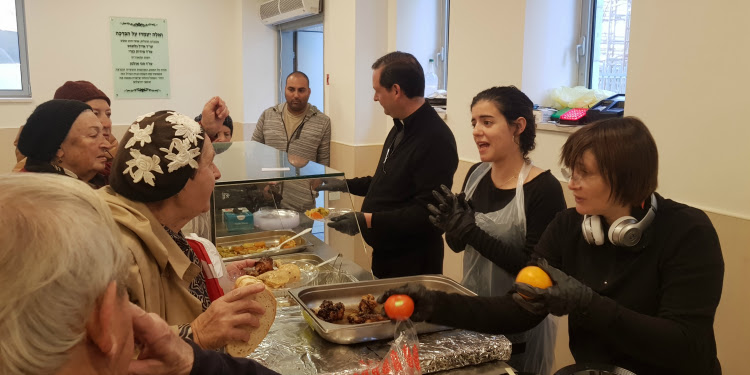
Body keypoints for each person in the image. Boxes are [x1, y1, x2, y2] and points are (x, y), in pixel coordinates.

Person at [381, 117, 724, 375]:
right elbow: (518, 309)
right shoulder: (569, 226)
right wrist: (434, 305)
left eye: (584, 173)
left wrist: (589, 304)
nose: (571, 183)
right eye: (570, 171)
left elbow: (685, 345)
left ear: (628, 177)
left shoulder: (688, 232)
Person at [0, 173, 279, 375]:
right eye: (124, 292)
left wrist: (188, 359)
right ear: (104, 320)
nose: (218, 172)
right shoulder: (133, 246)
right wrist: (194, 338)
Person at [100, 110, 268, 350]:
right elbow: (109, 354)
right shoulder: (119, 254)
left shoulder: (156, 225)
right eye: (209, 164)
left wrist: (219, 280)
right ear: (177, 183)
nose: (217, 174)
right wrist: (196, 334)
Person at [428, 86, 566, 375]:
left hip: (520, 323)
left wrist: (471, 232)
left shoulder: (544, 189)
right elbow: (459, 246)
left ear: (518, 126)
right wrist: (450, 228)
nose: (477, 131)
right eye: (474, 122)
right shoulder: (476, 175)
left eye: (487, 122)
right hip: (476, 312)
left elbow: (535, 272)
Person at [319, 51, 458, 278]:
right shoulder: (399, 127)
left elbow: (426, 214)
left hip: (413, 263)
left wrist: (367, 220)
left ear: (396, 90)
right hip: (386, 254)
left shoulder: (435, 138)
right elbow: (388, 183)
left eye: (377, 91)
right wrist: (342, 185)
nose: (375, 98)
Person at [252, 71, 331, 212]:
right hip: (268, 199)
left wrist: (312, 189)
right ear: (285, 89)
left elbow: (323, 163)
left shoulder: (322, 122)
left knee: (302, 235)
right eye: (291, 89)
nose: (296, 95)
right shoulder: (268, 115)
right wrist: (261, 185)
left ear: (309, 92)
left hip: (302, 203)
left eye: (301, 90)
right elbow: (254, 153)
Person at [16, 99, 110, 184]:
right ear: (58, 148)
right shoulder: (38, 194)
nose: (107, 145)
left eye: (103, 135)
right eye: (93, 135)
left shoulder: (100, 181)